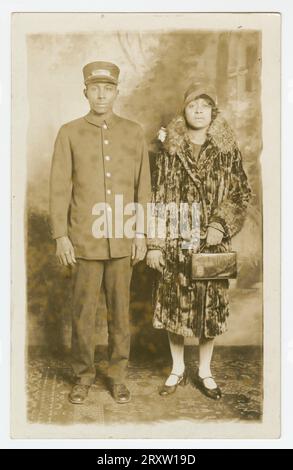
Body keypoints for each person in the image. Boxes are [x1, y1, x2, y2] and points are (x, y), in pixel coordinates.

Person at [49, 61, 151, 404]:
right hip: (83, 239)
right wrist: (60, 235)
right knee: (83, 313)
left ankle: (117, 376)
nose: (102, 94)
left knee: (120, 313)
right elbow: (60, 188)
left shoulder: (134, 131)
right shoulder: (69, 132)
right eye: (95, 88)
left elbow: (143, 188)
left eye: (108, 88)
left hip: (122, 235)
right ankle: (83, 376)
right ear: (86, 92)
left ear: (117, 92)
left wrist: (141, 234)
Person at [146, 82, 251, 399]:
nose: (199, 110)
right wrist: (154, 243)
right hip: (175, 239)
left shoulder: (227, 150)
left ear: (213, 112)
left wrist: (221, 223)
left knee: (210, 309)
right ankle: (176, 369)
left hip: (212, 243)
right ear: (184, 110)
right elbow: (156, 196)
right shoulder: (168, 150)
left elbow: (240, 193)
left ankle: (205, 371)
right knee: (173, 307)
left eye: (205, 105)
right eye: (193, 105)